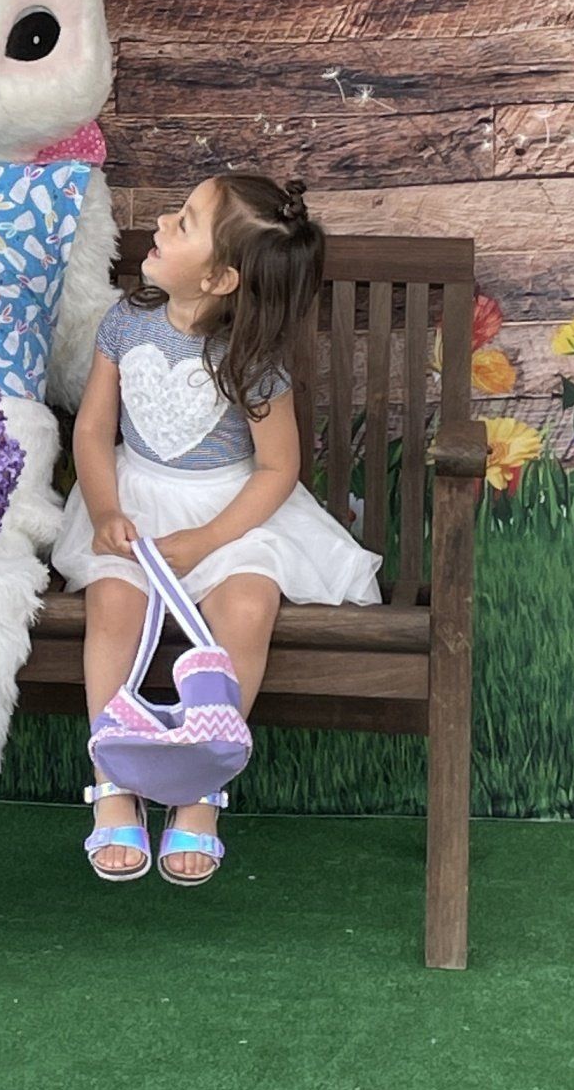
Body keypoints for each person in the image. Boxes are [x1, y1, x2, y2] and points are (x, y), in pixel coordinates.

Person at [54, 173, 382, 887]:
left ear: (223, 276)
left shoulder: (252, 361)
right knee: (113, 605)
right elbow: (93, 428)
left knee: (248, 605)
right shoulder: (125, 323)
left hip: (232, 514)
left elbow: (277, 470)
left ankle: (201, 790)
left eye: (186, 222)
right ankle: (113, 779)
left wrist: (207, 541)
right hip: (135, 503)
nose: (164, 222)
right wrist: (108, 512)